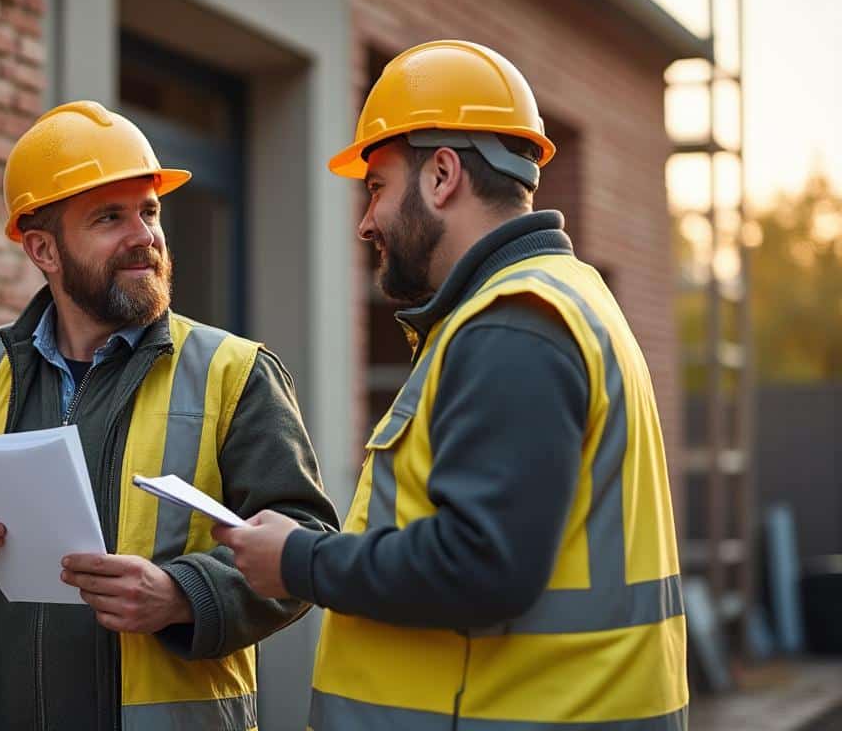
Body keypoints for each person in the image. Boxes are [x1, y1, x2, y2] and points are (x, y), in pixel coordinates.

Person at [215, 40, 688, 729]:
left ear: (441, 175)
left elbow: (481, 565)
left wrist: (300, 560)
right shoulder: (559, 301)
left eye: (376, 184)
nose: (366, 220)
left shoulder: (511, 327)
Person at [0, 100, 338, 731]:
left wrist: (183, 595)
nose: (144, 235)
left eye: (149, 211)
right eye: (110, 217)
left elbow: (305, 546)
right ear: (44, 249)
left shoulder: (234, 371)